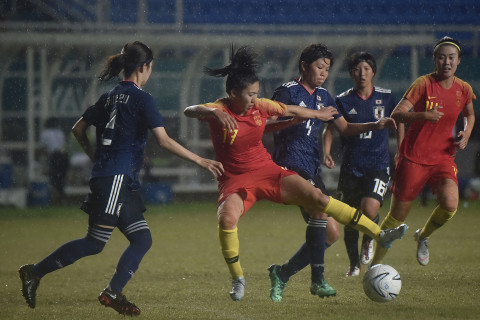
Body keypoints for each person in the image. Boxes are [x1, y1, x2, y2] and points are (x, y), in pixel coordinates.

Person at [183, 45, 407, 301]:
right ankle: (245, 279)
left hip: (277, 170)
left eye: (257, 93)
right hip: (261, 172)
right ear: (233, 93)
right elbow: (190, 110)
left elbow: (292, 112)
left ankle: (373, 237)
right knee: (229, 219)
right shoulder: (225, 107)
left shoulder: (273, 103)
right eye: (250, 94)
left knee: (327, 220)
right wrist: (213, 112)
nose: (256, 99)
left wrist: (319, 116)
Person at [18, 41, 224, 316]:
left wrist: (96, 157)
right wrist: (200, 160)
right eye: (150, 68)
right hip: (116, 178)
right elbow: (162, 140)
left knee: (142, 240)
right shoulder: (142, 98)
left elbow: (78, 129)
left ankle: (113, 291)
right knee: (95, 242)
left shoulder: (110, 96)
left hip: (114, 177)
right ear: (144, 67)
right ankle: (36, 272)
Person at [265, 45, 398, 302]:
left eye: (327, 68)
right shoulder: (287, 91)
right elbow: (266, 125)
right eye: (319, 67)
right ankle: (318, 279)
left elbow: (344, 128)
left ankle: (282, 273)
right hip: (288, 166)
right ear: (304, 66)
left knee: (332, 233)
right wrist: (294, 119)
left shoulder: (324, 97)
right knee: (318, 208)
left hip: (311, 168)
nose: (324, 73)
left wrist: (374, 124)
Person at [371, 36, 476, 266]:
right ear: (435, 60)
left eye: (451, 58)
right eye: (442, 57)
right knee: (396, 219)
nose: (446, 62)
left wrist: (466, 134)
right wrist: (423, 115)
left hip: (443, 158)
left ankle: (423, 236)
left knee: (450, 205)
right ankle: (375, 266)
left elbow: (469, 114)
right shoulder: (422, 84)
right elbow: (397, 115)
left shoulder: (464, 89)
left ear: (458, 61)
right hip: (413, 158)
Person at [323, 51, 398, 277]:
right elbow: (330, 127)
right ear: (351, 73)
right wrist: (326, 151)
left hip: (378, 164)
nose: (362, 73)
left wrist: (401, 149)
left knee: (370, 208)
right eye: (357, 69)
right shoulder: (343, 100)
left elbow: (400, 120)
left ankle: (369, 240)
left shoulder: (387, 97)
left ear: (373, 71)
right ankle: (354, 265)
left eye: (366, 68)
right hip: (352, 166)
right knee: (350, 217)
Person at [39, 117, 70, 203]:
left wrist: (42, 159)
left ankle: (59, 197)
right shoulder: (60, 132)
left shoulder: (45, 133)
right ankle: (62, 196)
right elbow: (63, 145)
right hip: (63, 156)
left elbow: (43, 148)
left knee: (54, 178)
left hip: (54, 157)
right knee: (61, 178)